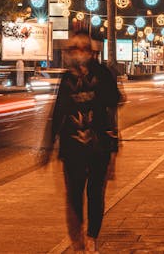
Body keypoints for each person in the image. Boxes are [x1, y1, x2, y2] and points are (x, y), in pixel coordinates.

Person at [38, 32, 122, 253]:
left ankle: (92, 237)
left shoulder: (102, 74)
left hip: (99, 146)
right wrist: (47, 147)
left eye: (81, 49)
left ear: (90, 51)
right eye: (73, 49)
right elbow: (58, 113)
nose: (76, 53)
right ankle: (77, 241)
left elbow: (113, 105)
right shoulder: (67, 79)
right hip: (72, 147)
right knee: (74, 195)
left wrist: (114, 147)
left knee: (95, 194)